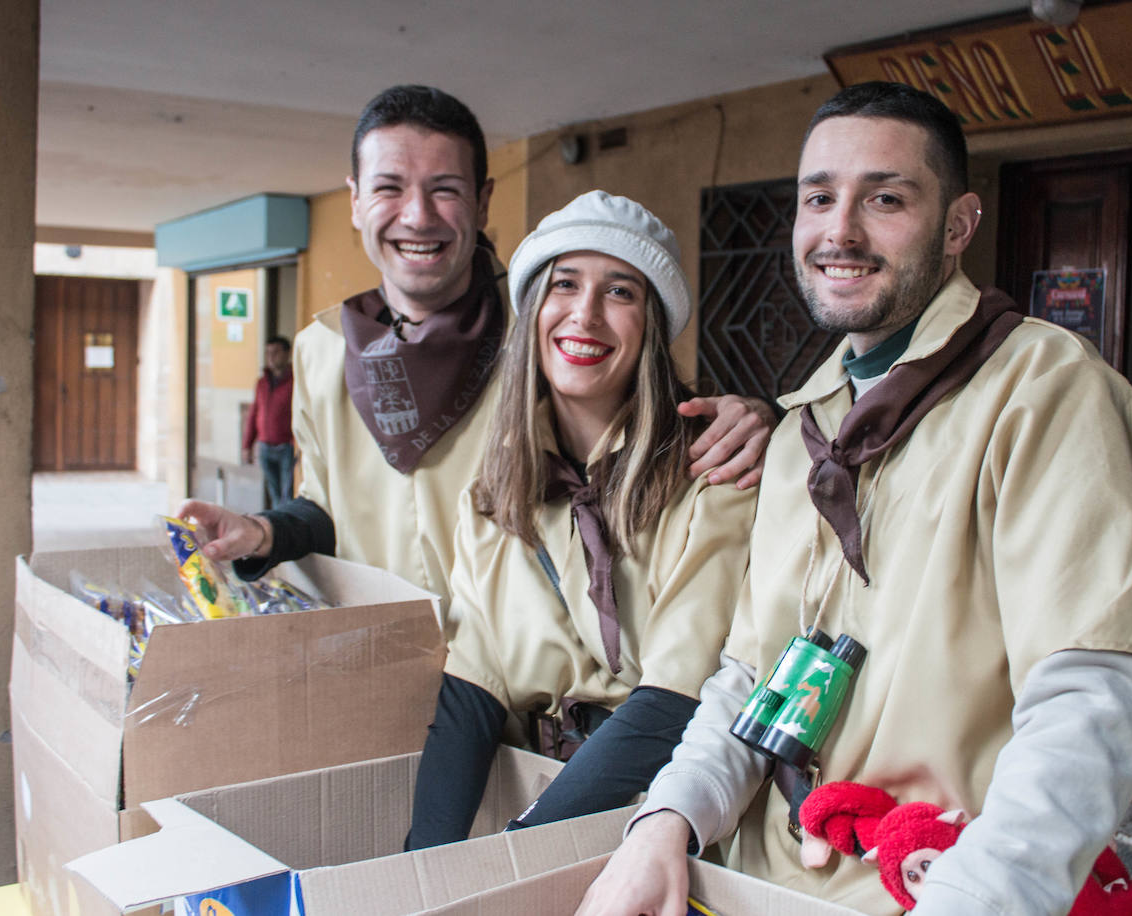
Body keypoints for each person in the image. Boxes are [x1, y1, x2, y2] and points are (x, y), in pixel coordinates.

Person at [577, 81, 1132, 916]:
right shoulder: (800, 432)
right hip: (753, 880)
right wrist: (665, 821)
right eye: (819, 197)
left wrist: (973, 899)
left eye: (885, 198)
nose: (840, 231)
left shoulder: (1045, 392)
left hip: (931, 884)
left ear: (959, 225)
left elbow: (1091, 703)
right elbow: (751, 679)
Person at [176, 85, 771, 605]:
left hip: (525, 686)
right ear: (355, 200)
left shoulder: (550, 339)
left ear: (483, 202)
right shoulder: (322, 348)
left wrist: (753, 419)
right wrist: (263, 532)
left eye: (444, 190)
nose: (417, 215)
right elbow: (328, 509)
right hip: (381, 659)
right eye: (389, 188)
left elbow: (652, 433)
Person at [405, 191, 756, 849]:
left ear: (651, 323)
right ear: (536, 307)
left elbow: (675, 698)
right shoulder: (492, 497)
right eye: (565, 284)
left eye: (620, 291)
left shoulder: (713, 476)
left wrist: (522, 853)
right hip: (537, 785)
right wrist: (425, 863)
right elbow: (471, 693)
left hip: (659, 818)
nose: (585, 315)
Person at [242, 335, 294, 508]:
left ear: (287, 354)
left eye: (276, 352)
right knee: (275, 495)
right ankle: (279, 530)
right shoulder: (262, 383)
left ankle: (286, 531)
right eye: (268, 353)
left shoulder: (295, 381)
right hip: (265, 446)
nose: (271, 357)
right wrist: (247, 445)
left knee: (287, 496)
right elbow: (253, 414)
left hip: (287, 447)